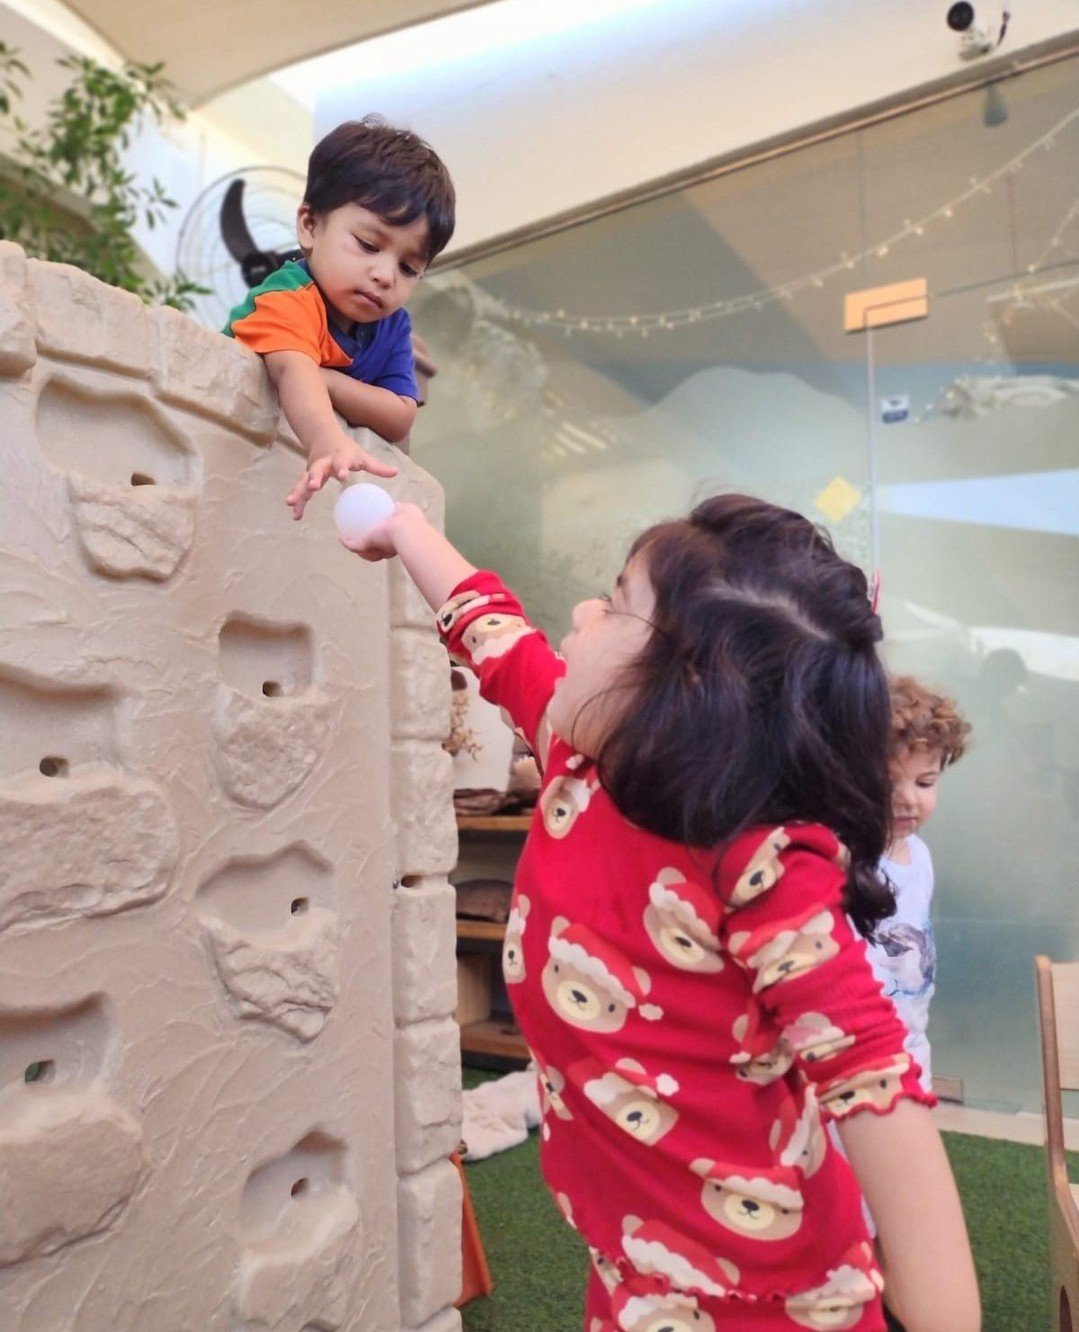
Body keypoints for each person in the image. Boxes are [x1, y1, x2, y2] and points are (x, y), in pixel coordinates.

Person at [348, 493, 980, 1332]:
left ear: (684, 688)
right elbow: (489, 627)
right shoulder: (579, 752)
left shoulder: (758, 864)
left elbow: (876, 1091)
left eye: (611, 604)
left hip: (774, 1300)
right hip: (632, 1262)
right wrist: (402, 527)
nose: (577, 612)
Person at [224, 116, 455, 519]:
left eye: (408, 268)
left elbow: (400, 415)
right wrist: (326, 442)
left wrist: (326, 380)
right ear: (310, 226)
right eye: (368, 245)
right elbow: (293, 370)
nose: (385, 275)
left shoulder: (393, 325)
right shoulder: (288, 296)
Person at [868, 677, 970, 1094]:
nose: (908, 799)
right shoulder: (843, 858)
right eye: (888, 782)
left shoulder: (920, 856)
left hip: (912, 1050)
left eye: (925, 782)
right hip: (858, 1060)